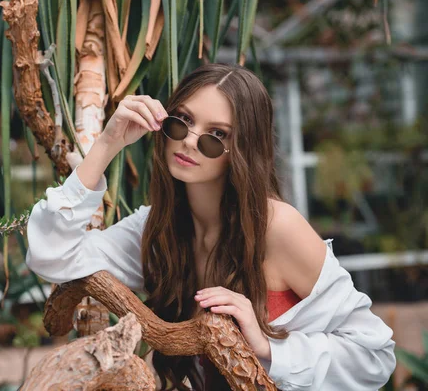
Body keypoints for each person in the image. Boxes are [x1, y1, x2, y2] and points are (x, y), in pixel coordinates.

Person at [26, 63, 396, 391]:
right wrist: (107, 145)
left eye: (216, 135)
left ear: (244, 149)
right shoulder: (158, 231)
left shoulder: (276, 227)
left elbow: (375, 357)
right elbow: (52, 257)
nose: (189, 140)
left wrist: (268, 347)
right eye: (181, 120)